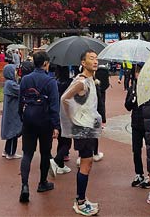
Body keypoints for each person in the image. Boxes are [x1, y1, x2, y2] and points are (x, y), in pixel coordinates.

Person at [60, 50, 103, 216]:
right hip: (82, 128)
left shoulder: (91, 80)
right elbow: (64, 98)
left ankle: (82, 199)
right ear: (83, 63)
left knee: (89, 162)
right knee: (86, 163)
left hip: (89, 126)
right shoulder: (81, 82)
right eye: (91, 59)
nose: (95, 61)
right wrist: (72, 118)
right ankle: (80, 201)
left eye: (96, 59)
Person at [18, 51, 60, 204]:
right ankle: (42, 183)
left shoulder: (25, 79)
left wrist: (21, 116)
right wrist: (56, 125)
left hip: (28, 118)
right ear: (45, 63)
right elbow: (55, 105)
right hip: (45, 120)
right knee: (45, 152)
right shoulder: (50, 81)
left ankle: (24, 185)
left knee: (27, 153)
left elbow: (20, 100)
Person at [124, 63, 150, 189]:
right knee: (136, 150)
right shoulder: (132, 87)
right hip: (136, 123)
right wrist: (132, 98)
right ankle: (139, 173)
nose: (139, 74)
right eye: (137, 72)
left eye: (141, 72)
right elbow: (127, 106)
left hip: (149, 123)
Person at [50, 65, 74, 175]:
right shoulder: (71, 83)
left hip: (56, 113)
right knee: (67, 142)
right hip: (67, 114)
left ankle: (60, 164)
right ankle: (56, 161)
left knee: (61, 139)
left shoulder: (54, 82)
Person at [1, 64, 23, 159]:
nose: (16, 73)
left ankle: (6, 150)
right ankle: (10, 153)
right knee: (13, 132)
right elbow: (21, 91)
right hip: (12, 112)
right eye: (14, 71)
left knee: (11, 131)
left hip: (10, 111)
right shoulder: (11, 84)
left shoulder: (9, 83)